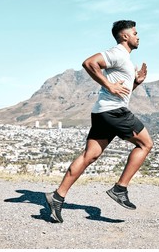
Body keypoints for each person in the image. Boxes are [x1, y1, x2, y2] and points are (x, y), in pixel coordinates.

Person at [45, 20, 153, 223]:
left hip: (103, 112)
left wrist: (136, 83)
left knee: (90, 155)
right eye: (135, 33)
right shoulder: (118, 53)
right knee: (146, 144)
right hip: (114, 112)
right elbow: (89, 63)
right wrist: (108, 85)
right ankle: (120, 189)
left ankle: (56, 197)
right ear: (125, 36)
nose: (138, 36)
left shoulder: (126, 61)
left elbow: (121, 92)